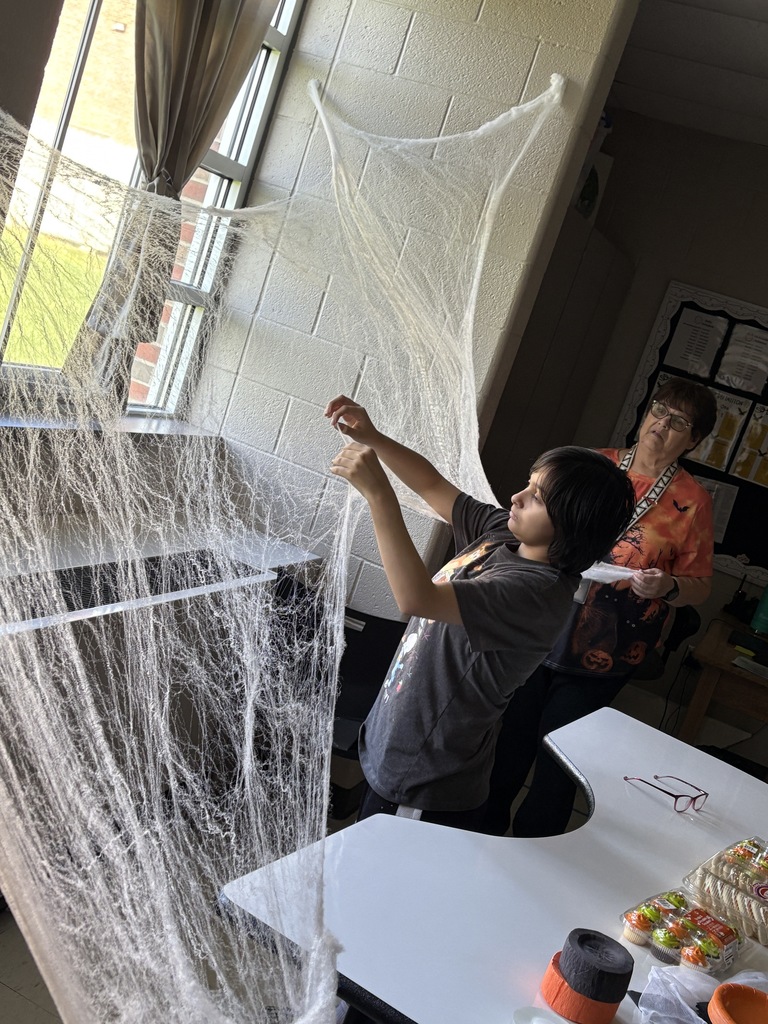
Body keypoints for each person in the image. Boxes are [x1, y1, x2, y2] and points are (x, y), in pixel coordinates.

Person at [324, 394, 635, 831]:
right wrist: (372, 437)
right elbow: (433, 487)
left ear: (571, 524)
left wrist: (378, 495)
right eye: (529, 483)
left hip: (425, 783)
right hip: (394, 749)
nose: (517, 496)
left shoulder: (536, 593)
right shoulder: (499, 535)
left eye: (538, 498)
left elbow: (416, 598)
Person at [480, 377, 718, 838]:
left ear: (695, 441)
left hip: (610, 647)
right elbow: (532, 525)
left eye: (680, 422)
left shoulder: (692, 502)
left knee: (560, 760)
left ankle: (535, 855)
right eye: (660, 411)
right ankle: (477, 836)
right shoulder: (592, 464)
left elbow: (701, 586)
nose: (662, 425)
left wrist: (668, 586)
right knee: (506, 744)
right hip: (540, 624)